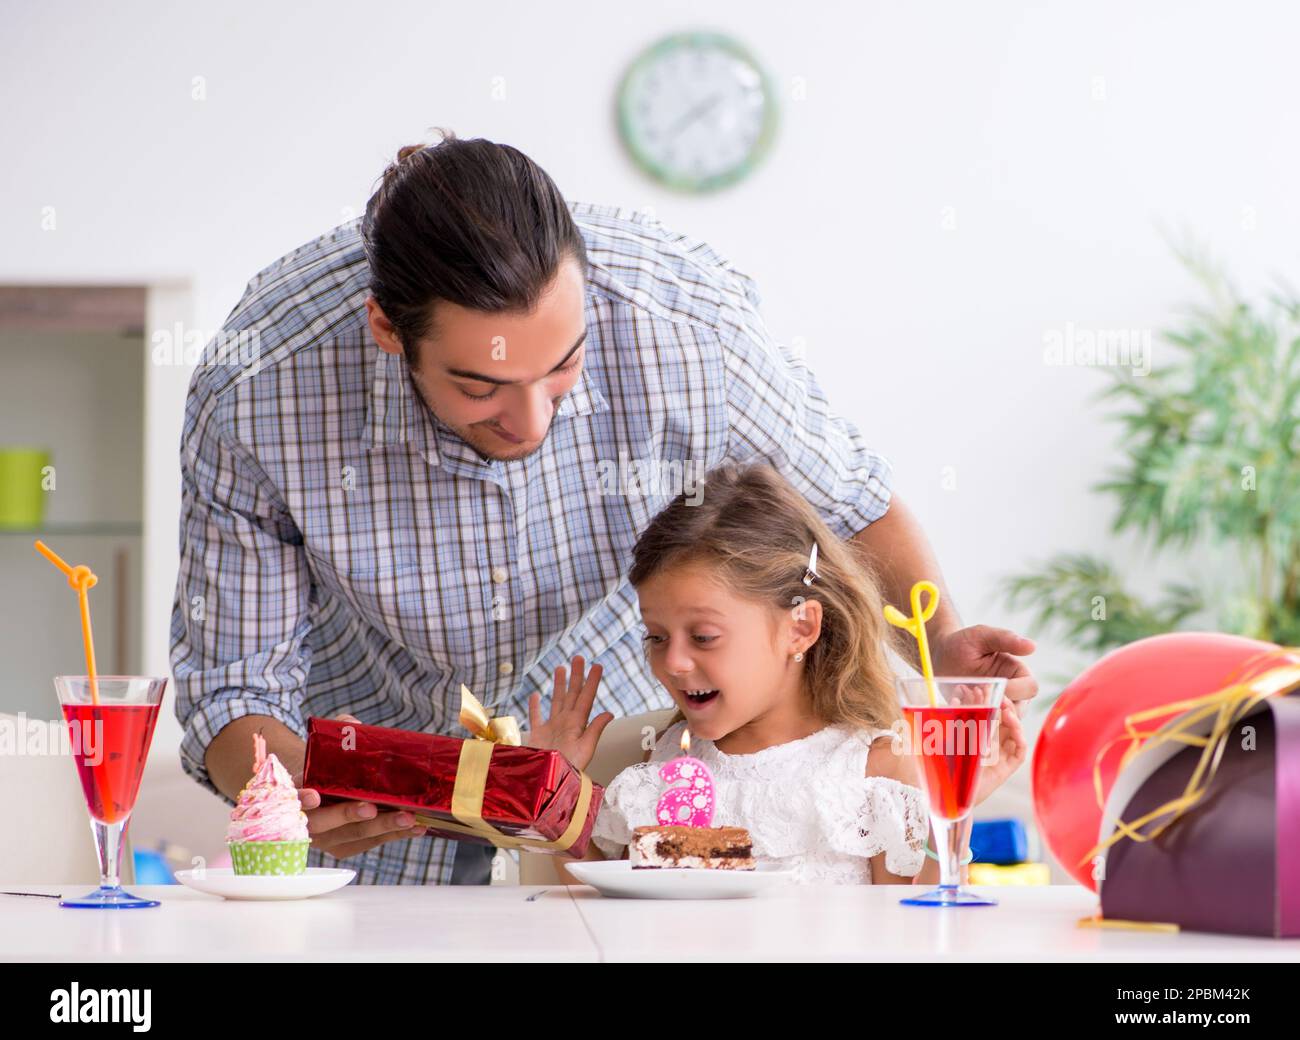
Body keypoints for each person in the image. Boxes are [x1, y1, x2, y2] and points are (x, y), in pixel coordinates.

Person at [171, 130, 1036, 886]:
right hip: (377, 823)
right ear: (388, 330)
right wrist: (292, 787)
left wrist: (941, 648)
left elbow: (847, 505)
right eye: (480, 387)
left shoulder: (684, 323)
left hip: (626, 755)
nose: (531, 420)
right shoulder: (258, 387)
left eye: (565, 365)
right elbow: (237, 683)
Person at [532, 462, 1026, 884]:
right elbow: (601, 920)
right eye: (656, 636)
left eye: (703, 636)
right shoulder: (663, 764)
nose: (673, 662)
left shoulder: (874, 772)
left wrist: (952, 807)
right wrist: (555, 795)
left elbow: (919, 932)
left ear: (801, 627)